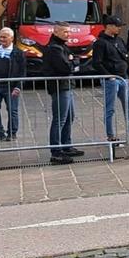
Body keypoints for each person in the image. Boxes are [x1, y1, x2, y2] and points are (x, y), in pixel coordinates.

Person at [92, 16, 129, 144]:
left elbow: (126, 59)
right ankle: (110, 135)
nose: (119, 28)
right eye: (117, 26)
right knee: (110, 108)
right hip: (111, 80)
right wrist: (108, 76)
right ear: (109, 26)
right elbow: (97, 63)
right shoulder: (100, 43)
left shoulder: (120, 40)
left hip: (124, 78)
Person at [44, 22, 81, 164]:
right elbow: (66, 67)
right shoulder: (54, 48)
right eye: (65, 32)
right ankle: (56, 151)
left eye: (69, 31)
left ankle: (66, 145)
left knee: (69, 116)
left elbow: (74, 60)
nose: (68, 34)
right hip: (59, 87)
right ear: (56, 32)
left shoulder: (62, 46)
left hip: (67, 85)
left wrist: (73, 62)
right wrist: (73, 63)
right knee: (59, 119)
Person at [0, 27, 25, 142]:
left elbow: (22, 71)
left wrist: (18, 86)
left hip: (11, 86)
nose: (1, 39)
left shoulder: (18, 53)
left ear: (11, 38)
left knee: (12, 110)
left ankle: (12, 132)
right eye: (0, 37)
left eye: (4, 37)